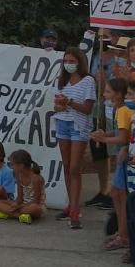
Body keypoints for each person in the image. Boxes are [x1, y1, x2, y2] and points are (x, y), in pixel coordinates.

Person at [52, 46, 95, 229]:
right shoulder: (62, 81)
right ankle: (71, 205)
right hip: (62, 123)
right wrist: (60, 105)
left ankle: (76, 210)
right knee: (67, 167)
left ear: (79, 62)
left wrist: (68, 102)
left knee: (75, 167)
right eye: (66, 61)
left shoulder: (88, 81)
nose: (68, 64)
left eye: (72, 61)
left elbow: (87, 109)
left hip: (79, 126)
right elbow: (56, 108)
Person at [91, 77, 135, 252]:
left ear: (117, 94)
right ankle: (122, 231)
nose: (104, 94)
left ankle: (123, 234)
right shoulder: (119, 110)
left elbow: (124, 137)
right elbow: (120, 131)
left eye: (108, 91)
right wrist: (106, 134)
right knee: (117, 194)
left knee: (120, 195)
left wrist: (104, 138)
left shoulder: (123, 111)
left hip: (124, 158)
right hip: (122, 156)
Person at [0, 150, 45, 223]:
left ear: (21, 166)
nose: (11, 167)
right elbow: (20, 197)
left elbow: (36, 201)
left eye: (12, 165)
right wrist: (16, 204)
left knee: (34, 208)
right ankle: (19, 216)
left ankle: (8, 213)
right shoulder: (18, 175)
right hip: (22, 204)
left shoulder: (36, 178)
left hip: (34, 206)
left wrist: (18, 207)